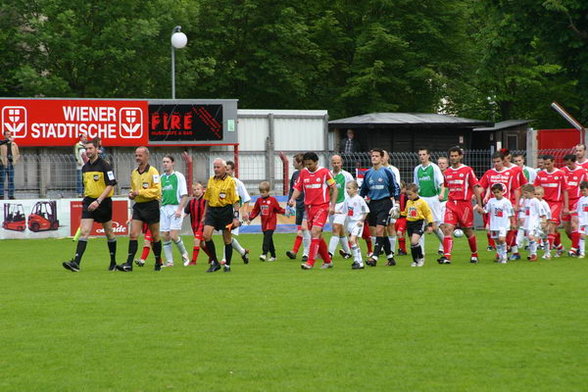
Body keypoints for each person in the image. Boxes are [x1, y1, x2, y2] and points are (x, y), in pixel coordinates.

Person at [62, 139, 118, 272]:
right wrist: (88, 199)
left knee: (109, 232)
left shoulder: (105, 165)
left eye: (90, 149)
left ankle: (113, 262)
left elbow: (111, 184)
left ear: (97, 149)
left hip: (103, 203)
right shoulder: (85, 167)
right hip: (88, 202)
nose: (87, 151)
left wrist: (98, 200)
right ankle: (76, 263)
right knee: (85, 231)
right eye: (86, 149)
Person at [288, 152, 338, 270]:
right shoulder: (303, 173)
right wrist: (292, 199)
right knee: (317, 235)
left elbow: (334, 189)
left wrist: (332, 206)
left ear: (316, 162)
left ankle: (310, 262)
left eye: (310, 164)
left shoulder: (325, 172)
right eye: (306, 164)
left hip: (322, 206)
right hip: (309, 208)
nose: (308, 166)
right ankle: (327, 261)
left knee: (315, 232)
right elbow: (298, 188)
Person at [117, 147, 163, 272]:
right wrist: (132, 194)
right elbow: (133, 189)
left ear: (147, 156)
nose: (137, 158)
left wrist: (140, 192)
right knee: (133, 234)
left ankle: (158, 262)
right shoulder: (134, 173)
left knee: (155, 236)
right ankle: (128, 264)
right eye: (136, 155)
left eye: (140, 155)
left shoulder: (153, 172)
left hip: (151, 206)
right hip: (138, 206)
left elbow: (157, 190)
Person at [439, 146, 482, 264]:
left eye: (455, 156)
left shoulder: (467, 170)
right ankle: (447, 256)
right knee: (447, 229)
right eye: (451, 156)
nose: (453, 158)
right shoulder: (447, 172)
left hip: (464, 204)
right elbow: (447, 186)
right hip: (451, 204)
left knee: (468, 231)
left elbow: (475, 188)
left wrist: (479, 205)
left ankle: (474, 254)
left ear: (460, 156)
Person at [360, 148, 400, 267]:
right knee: (377, 233)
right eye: (373, 156)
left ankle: (375, 257)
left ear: (382, 158)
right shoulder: (368, 173)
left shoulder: (387, 172)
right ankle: (390, 258)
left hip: (385, 203)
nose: (374, 158)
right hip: (372, 204)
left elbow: (395, 188)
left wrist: (397, 203)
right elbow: (363, 190)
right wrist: (360, 202)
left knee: (379, 230)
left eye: (377, 156)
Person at [477, 151, 520, 255]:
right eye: (494, 162)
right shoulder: (489, 173)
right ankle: (507, 251)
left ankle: (506, 252)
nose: (496, 164)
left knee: (510, 228)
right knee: (494, 232)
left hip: (506, 205)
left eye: (498, 161)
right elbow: (480, 188)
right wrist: (477, 201)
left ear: (503, 161)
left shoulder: (510, 173)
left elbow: (516, 189)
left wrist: (516, 204)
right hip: (493, 207)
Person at [202, 158, 240, 273]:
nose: (216, 169)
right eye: (214, 167)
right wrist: (204, 214)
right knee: (206, 235)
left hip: (226, 211)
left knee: (227, 239)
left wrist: (236, 217)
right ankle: (215, 262)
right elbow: (207, 199)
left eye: (218, 167)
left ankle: (227, 265)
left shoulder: (231, 182)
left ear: (224, 168)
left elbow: (236, 201)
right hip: (212, 211)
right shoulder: (211, 181)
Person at [533, 154, 569, 258]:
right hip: (543, 203)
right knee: (548, 228)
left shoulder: (560, 174)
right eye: (544, 164)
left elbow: (565, 190)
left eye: (548, 164)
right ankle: (560, 247)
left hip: (555, 203)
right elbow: (536, 189)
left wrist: (566, 206)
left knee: (551, 226)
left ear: (553, 162)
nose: (546, 166)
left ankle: (547, 253)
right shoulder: (540, 174)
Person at [159, 155, 189, 267]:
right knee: (165, 235)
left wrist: (180, 209)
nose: (165, 164)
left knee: (173, 235)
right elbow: (159, 193)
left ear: (173, 163)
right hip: (164, 209)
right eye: (163, 162)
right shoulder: (161, 177)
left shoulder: (178, 176)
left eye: (167, 162)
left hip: (176, 208)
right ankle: (170, 262)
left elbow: (184, 195)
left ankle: (184, 254)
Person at [413, 147, 445, 251]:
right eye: (420, 155)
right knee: (421, 225)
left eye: (423, 154)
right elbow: (416, 185)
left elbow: (441, 182)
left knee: (434, 226)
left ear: (428, 155)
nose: (422, 156)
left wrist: (441, 193)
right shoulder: (417, 169)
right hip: (421, 199)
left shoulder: (434, 167)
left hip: (433, 199)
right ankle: (421, 251)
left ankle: (446, 245)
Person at [336, 180, 369, 269]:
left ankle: (356, 260)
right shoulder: (347, 200)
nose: (347, 190)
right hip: (350, 223)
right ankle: (360, 263)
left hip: (357, 223)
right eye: (347, 188)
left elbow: (366, 211)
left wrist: (361, 220)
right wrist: (333, 211)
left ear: (355, 189)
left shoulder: (359, 199)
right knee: (355, 242)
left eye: (349, 188)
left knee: (352, 240)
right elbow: (343, 211)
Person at [248, 181, 285, 261]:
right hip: (264, 223)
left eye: (263, 192)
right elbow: (255, 210)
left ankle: (264, 253)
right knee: (269, 239)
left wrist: (286, 212)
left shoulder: (272, 200)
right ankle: (273, 256)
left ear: (268, 191)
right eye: (260, 192)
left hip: (271, 223)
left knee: (266, 238)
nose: (262, 194)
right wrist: (250, 218)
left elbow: (278, 209)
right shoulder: (259, 201)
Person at [561, 154, 588, 256]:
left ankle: (574, 248)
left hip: (577, 200)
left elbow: (586, 185)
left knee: (574, 225)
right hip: (565, 201)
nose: (568, 166)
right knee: (567, 228)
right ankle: (577, 245)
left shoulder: (582, 172)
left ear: (574, 161)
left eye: (570, 164)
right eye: (566, 164)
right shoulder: (563, 170)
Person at [224, 161, 251, 264]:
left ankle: (225, 259)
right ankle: (243, 252)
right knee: (227, 236)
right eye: (225, 169)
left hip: (233, 212)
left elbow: (246, 198)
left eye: (228, 169)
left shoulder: (237, 183)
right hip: (222, 212)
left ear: (233, 170)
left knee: (227, 234)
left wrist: (244, 212)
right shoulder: (220, 182)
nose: (226, 171)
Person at [328, 154, 354, 259]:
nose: (336, 165)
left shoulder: (346, 175)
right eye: (334, 163)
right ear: (331, 163)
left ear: (341, 163)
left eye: (338, 162)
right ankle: (348, 252)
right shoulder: (328, 175)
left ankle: (329, 253)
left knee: (336, 227)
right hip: (331, 205)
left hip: (343, 205)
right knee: (340, 229)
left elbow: (353, 188)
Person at [403, 183, 436, 267]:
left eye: (410, 194)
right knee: (412, 244)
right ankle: (415, 260)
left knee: (414, 241)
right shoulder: (408, 202)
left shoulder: (422, 202)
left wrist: (430, 224)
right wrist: (398, 214)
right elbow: (406, 213)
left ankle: (421, 258)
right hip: (409, 223)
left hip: (418, 223)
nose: (409, 196)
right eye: (407, 195)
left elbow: (428, 213)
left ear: (416, 192)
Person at [286, 153, 310, 261]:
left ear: (300, 163)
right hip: (299, 205)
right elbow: (292, 189)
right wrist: (290, 201)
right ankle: (314, 251)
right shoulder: (295, 174)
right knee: (302, 230)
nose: (292, 164)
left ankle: (300, 252)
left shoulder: (308, 174)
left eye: (294, 162)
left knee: (303, 229)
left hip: (307, 205)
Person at [483, 184, 515, 263]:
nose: (496, 194)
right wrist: (481, 210)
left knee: (502, 239)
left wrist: (512, 222)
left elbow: (511, 213)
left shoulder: (506, 201)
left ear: (502, 191)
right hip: (494, 224)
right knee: (496, 240)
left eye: (498, 192)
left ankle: (504, 256)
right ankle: (500, 255)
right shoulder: (491, 201)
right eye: (494, 192)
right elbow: (486, 210)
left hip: (503, 224)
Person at [184, 182, 213, 265]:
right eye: (194, 190)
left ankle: (193, 261)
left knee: (196, 240)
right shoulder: (191, 202)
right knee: (201, 244)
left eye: (198, 189)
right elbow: (186, 212)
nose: (196, 191)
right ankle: (212, 256)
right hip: (194, 225)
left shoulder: (205, 201)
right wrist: (179, 218)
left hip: (204, 224)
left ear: (202, 190)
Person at [520, 184, 546, 262]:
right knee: (529, 238)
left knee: (531, 237)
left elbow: (542, 212)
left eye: (526, 193)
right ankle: (531, 254)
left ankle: (534, 254)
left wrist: (544, 221)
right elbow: (524, 211)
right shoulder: (526, 201)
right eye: (524, 193)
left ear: (531, 192)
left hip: (534, 223)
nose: (524, 195)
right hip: (527, 223)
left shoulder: (536, 201)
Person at [0, 130, 20, 200]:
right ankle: (1, 195)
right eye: (7, 134)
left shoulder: (14, 144)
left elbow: (17, 154)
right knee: (2, 179)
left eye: (10, 134)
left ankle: (11, 195)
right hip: (3, 164)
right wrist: (1, 161)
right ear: (4, 135)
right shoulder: (1, 144)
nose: (9, 135)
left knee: (11, 180)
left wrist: (15, 161)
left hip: (11, 164)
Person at [436, 156, 449, 254]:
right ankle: (445, 244)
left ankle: (442, 248)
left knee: (443, 225)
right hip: (435, 202)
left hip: (446, 202)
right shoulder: (435, 174)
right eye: (439, 163)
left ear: (447, 165)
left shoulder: (449, 174)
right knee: (437, 225)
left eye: (443, 163)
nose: (441, 165)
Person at [73, 132, 88, 197]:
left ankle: (85, 192)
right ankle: (79, 193)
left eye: (86, 137)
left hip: (87, 165)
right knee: (79, 179)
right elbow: (76, 153)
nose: (85, 138)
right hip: (80, 165)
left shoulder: (87, 145)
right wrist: (78, 160)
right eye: (84, 137)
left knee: (86, 180)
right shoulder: (78, 145)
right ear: (81, 138)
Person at [576, 181, 588, 258]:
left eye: (584, 190)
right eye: (581, 191)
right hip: (583, 221)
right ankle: (582, 252)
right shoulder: (581, 200)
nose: (583, 192)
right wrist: (569, 212)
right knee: (582, 236)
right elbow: (578, 210)